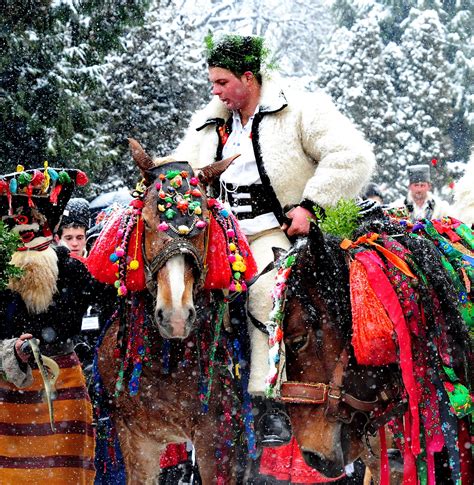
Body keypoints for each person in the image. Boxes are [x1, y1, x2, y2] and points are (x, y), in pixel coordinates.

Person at [173, 33, 376, 446]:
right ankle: (183, 394)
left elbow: (352, 156)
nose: (215, 91)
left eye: (222, 82)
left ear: (248, 77)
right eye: (212, 83)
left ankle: (270, 404)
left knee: (265, 293)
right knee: (176, 287)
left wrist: (311, 205)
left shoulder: (301, 109)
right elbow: (180, 173)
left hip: (276, 234)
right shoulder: (209, 122)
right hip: (220, 235)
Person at [0, 166, 96, 483]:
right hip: (7, 391)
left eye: (32, 221)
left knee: (65, 471)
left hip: (63, 383)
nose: (24, 229)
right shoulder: (2, 276)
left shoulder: (72, 271)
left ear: (46, 224)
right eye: (15, 223)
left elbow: (115, 300)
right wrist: (9, 350)